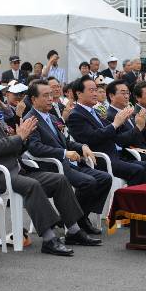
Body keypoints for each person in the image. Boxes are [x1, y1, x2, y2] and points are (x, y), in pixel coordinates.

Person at [0, 81, 99, 256]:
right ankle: (49, 239)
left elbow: (14, 148)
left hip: (15, 169)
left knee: (59, 179)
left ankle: (73, 230)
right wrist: (19, 137)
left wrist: (23, 139)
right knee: (32, 185)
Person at [25, 80, 111, 235]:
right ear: (33, 99)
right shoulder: (30, 119)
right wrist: (64, 153)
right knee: (89, 182)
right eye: (45, 96)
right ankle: (77, 221)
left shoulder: (51, 117)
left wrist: (82, 146)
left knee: (104, 178)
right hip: (52, 166)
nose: (51, 98)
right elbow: (35, 148)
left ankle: (79, 218)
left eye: (51, 95)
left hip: (68, 163)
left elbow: (66, 141)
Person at [67, 75, 146, 186]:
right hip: (100, 159)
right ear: (79, 93)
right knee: (138, 170)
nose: (96, 94)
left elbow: (118, 139)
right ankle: (127, 202)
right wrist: (115, 124)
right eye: (91, 90)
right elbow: (91, 138)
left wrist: (144, 128)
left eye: (96, 90)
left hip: (117, 155)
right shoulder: (76, 115)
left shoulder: (94, 112)